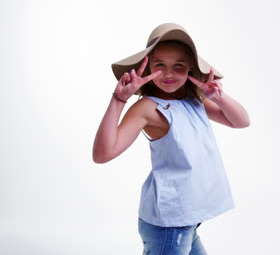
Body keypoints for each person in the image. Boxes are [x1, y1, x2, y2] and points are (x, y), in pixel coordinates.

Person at [92, 23, 250, 255]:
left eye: (179, 66)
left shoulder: (194, 102)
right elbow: (103, 154)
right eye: (160, 65)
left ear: (190, 70)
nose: (169, 74)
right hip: (169, 224)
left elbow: (241, 121)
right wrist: (118, 100)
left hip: (189, 219)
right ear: (147, 69)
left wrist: (219, 96)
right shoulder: (148, 107)